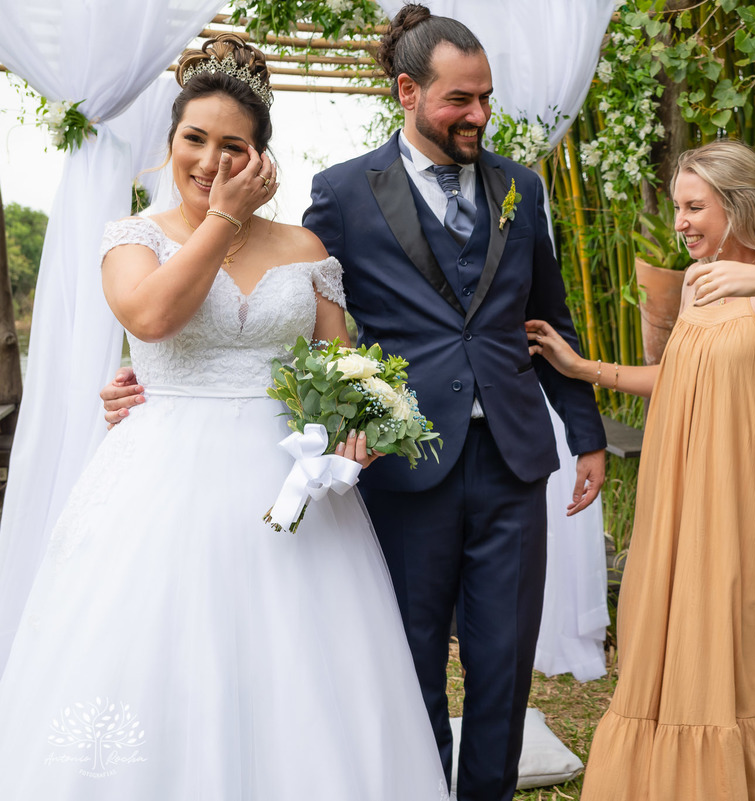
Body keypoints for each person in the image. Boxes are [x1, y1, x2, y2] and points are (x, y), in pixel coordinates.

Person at [106, 8, 606, 801]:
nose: (478, 115)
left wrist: (585, 432)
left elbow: (548, 315)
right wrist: (154, 385)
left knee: (504, 661)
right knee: (400, 660)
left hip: (513, 456)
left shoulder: (522, 185)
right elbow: (295, 330)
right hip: (404, 466)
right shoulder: (340, 193)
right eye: (460, 100)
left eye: (486, 99)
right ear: (408, 92)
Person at [0, 35, 449, 799]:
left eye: (232, 146)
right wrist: (222, 220)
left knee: (298, 674)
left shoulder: (307, 248)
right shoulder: (132, 238)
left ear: (261, 157)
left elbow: (340, 368)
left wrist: (361, 428)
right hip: (158, 486)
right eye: (194, 140)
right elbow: (151, 318)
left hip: (288, 489)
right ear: (170, 142)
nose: (210, 161)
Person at [527, 139, 755, 801]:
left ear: (738, 204)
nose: (681, 221)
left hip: (754, 503)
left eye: (695, 207)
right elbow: (678, 377)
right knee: (680, 647)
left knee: (752, 656)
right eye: (677, 207)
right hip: (685, 500)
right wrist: (581, 368)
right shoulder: (696, 279)